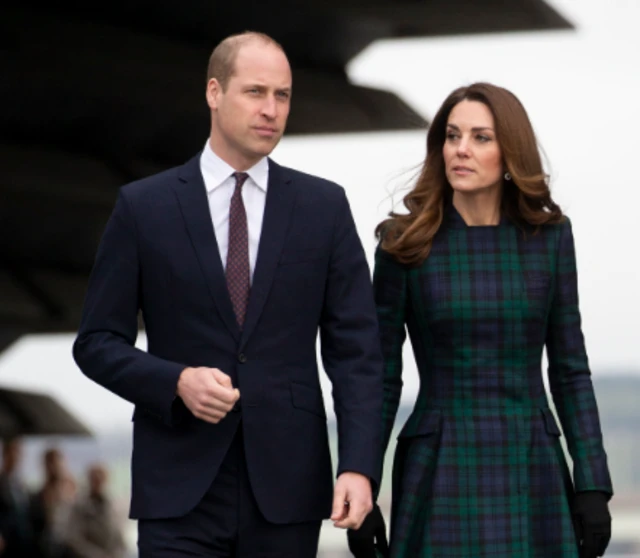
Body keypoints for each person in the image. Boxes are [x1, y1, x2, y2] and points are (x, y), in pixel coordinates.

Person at [72, 31, 383, 557]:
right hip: (177, 489)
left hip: (287, 488)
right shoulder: (143, 208)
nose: (271, 110)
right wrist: (176, 381)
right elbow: (97, 342)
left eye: (282, 96)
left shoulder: (323, 208)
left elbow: (357, 354)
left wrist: (357, 464)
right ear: (214, 92)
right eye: (255, 92)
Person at [350, 82, 613, 558]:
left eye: (480, 138)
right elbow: (381, 377)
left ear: (510, 152)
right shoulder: (404, 242)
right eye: (452, 136)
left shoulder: (549, 238)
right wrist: (362, 478)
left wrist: (592, 482)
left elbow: (571, 370)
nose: (461, 150)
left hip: (530, 460)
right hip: (439, 461)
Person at [64, 464, 126, 558]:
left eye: (101, 480)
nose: (98, 483)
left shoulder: (112, 507)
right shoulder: (79, 507)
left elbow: (119, 538)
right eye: (95, 479)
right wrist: (97, 555)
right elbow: (75, 539)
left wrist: (115, 555)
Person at [0, 437, 38, 557]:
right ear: (5, 454)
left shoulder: (20, 483)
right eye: (14, 451)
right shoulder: (1, 480)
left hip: (23, 540)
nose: (16, 457)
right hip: (5, 540)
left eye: (19, 453)